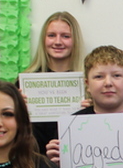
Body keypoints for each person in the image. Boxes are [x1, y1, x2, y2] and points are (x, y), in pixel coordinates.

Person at [23, 12, 86, 154]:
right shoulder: (25, 83)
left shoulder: (89, 83)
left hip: (77, 160)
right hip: (33, 160)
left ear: (75, 40)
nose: (58, 42)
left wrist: (91, 112)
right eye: (51, 35)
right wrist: (16, 108)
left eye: (65, 36)